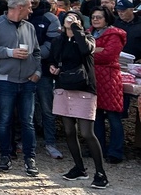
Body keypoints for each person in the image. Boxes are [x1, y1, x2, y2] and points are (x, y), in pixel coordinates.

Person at [0, 0, 42, 176]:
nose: (32, 10)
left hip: (27, 82)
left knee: (27, 122)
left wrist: (37, 72)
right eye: (29, 6)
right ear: (20, 7)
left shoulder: (29, 27)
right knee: (5, 120)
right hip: (4, 80)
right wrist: (10, 52)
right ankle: (5, 156)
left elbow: (37, 52)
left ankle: (29, 159)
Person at [50, 10, 108, 189]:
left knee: (87, 132)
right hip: (63, 86)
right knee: (68, 130)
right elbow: (52, 59)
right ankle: (79, 168)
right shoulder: (58, 40)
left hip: (84, 88)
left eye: (74, 17)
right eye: (67, 17)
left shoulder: (88, 38)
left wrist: (76, 29)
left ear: (81, 22)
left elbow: (85, 50)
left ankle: (100, 173)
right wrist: (52, 68)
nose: (70, 19)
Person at [24, 0, 63, 160]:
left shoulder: (50, 18)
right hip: (21, 71)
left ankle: (50, 142)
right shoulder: (19, 17)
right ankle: (24, 141)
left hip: (44, 70)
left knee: (47, 108)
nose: (32, 1)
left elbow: (53, 43)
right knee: (25, 109)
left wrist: (34, 56)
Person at [89, 5, 127, 165]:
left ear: (106, 19)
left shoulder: (114, 34)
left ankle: (116, 152)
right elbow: (80, 50)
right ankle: (98, 149)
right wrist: (95, 50)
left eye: (99, 17)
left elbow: (108, 55)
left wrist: (89, 52)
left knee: (113, 117)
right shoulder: (89, 32)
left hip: (110, 79)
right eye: (93, 17)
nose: (95, 20)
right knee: (95, 116)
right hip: (93, 78)